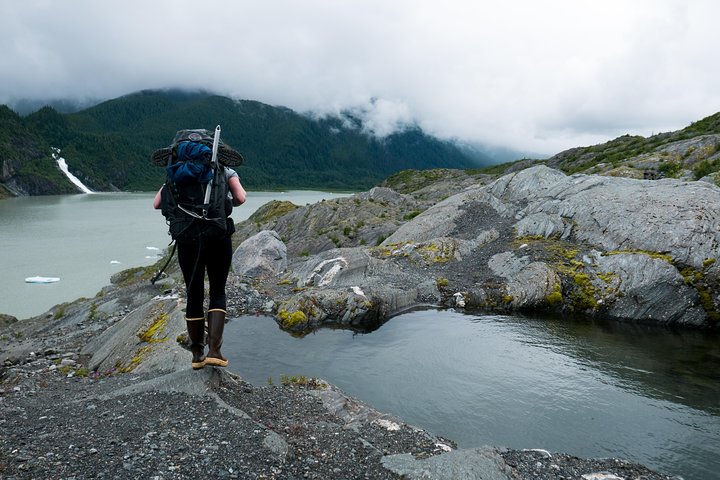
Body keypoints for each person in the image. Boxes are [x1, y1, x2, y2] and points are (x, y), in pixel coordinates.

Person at [153, 136, 246, 370]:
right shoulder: (223, 170)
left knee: (193, 293)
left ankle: (197, 355)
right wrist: (223, 202)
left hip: (187, 238)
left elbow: (157, 204)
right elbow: (241, 198)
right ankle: (215, 351)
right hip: (217, 236)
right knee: (217, 291)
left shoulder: (174, 172)